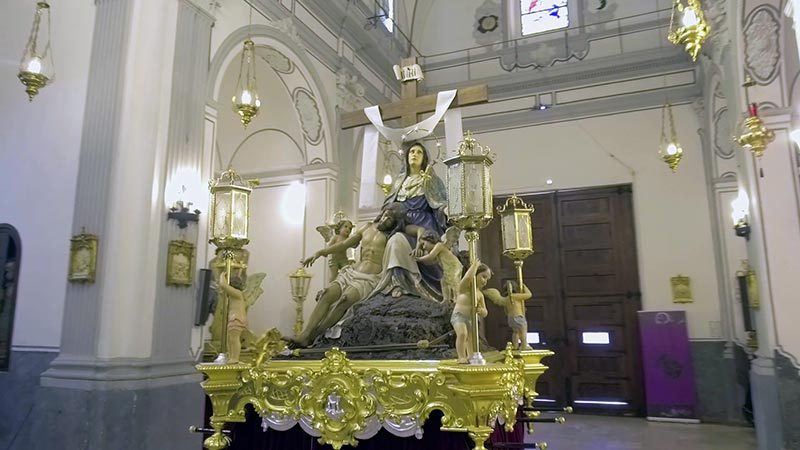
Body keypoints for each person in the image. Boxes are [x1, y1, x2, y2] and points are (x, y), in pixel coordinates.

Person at [291, 203, 406, 347]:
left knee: (344, 300)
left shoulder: (394, 236)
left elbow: (416, 230)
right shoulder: (367, 227)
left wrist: (420, 235)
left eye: (390, 218)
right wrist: (320, 253)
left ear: (395, 222)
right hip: (352, 272)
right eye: (385, 214)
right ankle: (305, 334)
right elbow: (344, 245)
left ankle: (314, 336)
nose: (385, 219)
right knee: (326, 294)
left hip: (369, 278)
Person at [377, 142, 448, 299]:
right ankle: (398, 283)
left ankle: (429, 290)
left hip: (426, 223)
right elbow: (389, 206)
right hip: (403, 225)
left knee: (429, 252)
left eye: (419, 152)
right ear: (407, 157)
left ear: (424, 158)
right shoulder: (399, 182)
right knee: (393, 241)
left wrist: (445, 210)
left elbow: (441, 203)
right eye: (412, 152)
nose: (414, 154)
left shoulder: (431, 180)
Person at [452, 259, 491, 364]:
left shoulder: (479, 294)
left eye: (487, 279)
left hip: (471, 319)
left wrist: (481, 310)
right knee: (462, 334)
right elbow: (468, 277)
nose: (485, 281)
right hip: (459, 316)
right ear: (476, 274)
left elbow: (485, 312)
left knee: (472, 339)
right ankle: (461, 356)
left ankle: (471, 355)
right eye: (483, 276)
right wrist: (474, 266)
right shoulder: (464, 288)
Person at [416, 228, 463, 303]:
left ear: (430, 240)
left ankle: (457, 299)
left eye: (423, 244)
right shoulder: (439, 250)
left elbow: (430, 257)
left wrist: (419, 259)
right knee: (444, 281)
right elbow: (432, 261)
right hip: (450, 266)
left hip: (453, 266)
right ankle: (446, 299)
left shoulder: (439, 246)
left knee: (453, 282)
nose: (424, 247)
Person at [484, 281, 532, 349]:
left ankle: (515, 346)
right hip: (518, 316)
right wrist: (524, 286)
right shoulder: (514, 296)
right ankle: (524, 345)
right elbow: (529, 295)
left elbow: (506, 311)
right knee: (523, 330)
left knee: (516, 332)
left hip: (511, 318)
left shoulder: (507, 299)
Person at [303, 216, 355, 280]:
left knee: (348, 273)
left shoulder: (348, 239)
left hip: (343, 259)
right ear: (339, 228)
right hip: (334, 260)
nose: (348, 229)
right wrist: (325, 252)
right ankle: (331, 287)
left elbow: (353, 245)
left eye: (350, 228)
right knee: (334, 276)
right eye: (346, 227)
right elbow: (329, 247)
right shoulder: (335, 237)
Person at [218, 271, 247, 364]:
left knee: (234, 338)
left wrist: (222, 275)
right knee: (231, 339)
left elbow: (223, 285)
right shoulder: (234, 295)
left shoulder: (238, 293)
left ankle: (235, 358)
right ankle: (232, 356)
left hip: (236, 318)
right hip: (234, 318)